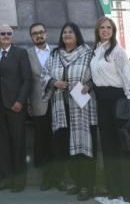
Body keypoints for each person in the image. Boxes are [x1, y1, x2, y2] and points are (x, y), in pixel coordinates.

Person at [41, 22, 97, 202]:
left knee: (83, 146)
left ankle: (88, 185)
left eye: (70, 32)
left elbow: (97, 75)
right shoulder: (55, 55)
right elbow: (44, 75)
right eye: (64, 32)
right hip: (60, 107)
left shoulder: (88, 53)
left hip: (81, 106)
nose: (66, 34)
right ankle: (77, 182)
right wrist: (53, 83)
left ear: (77, 34)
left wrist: (89, 85)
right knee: (65, 147)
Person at [90, 16, 130, 202]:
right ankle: (113, 190)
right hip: (101, 102)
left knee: (123, 147)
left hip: (118, 101)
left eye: (109, 27)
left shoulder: (118, 51)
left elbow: (126, 76)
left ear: (113, 30)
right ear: (97, 30)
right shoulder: (95, 51)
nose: (105, 30)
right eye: (102, 27)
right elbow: (95, 75)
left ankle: (128, 192)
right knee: (108, 148)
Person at [0, 24, 32, 192]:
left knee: (18, 144)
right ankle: (6, 179)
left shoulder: (20, 53)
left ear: (12, 36)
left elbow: (27, 79)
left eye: (9, 33)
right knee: (2, 145)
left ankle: (19, 182)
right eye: (3, 33)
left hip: (16, 106)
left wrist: (20, 101)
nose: (6, 35)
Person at [27, 22, 60, 191]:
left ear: (46, 34)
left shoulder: (57, 51)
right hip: (39, 104)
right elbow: (26, 81)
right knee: (43, 142)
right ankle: (47, 178)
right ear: (31, 37)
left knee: (59, 142)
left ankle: (59, 178)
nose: (38, 36)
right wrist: (28, 104)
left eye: (41, 32)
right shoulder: (27, 54)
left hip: (60, 102)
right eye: (35, 34)